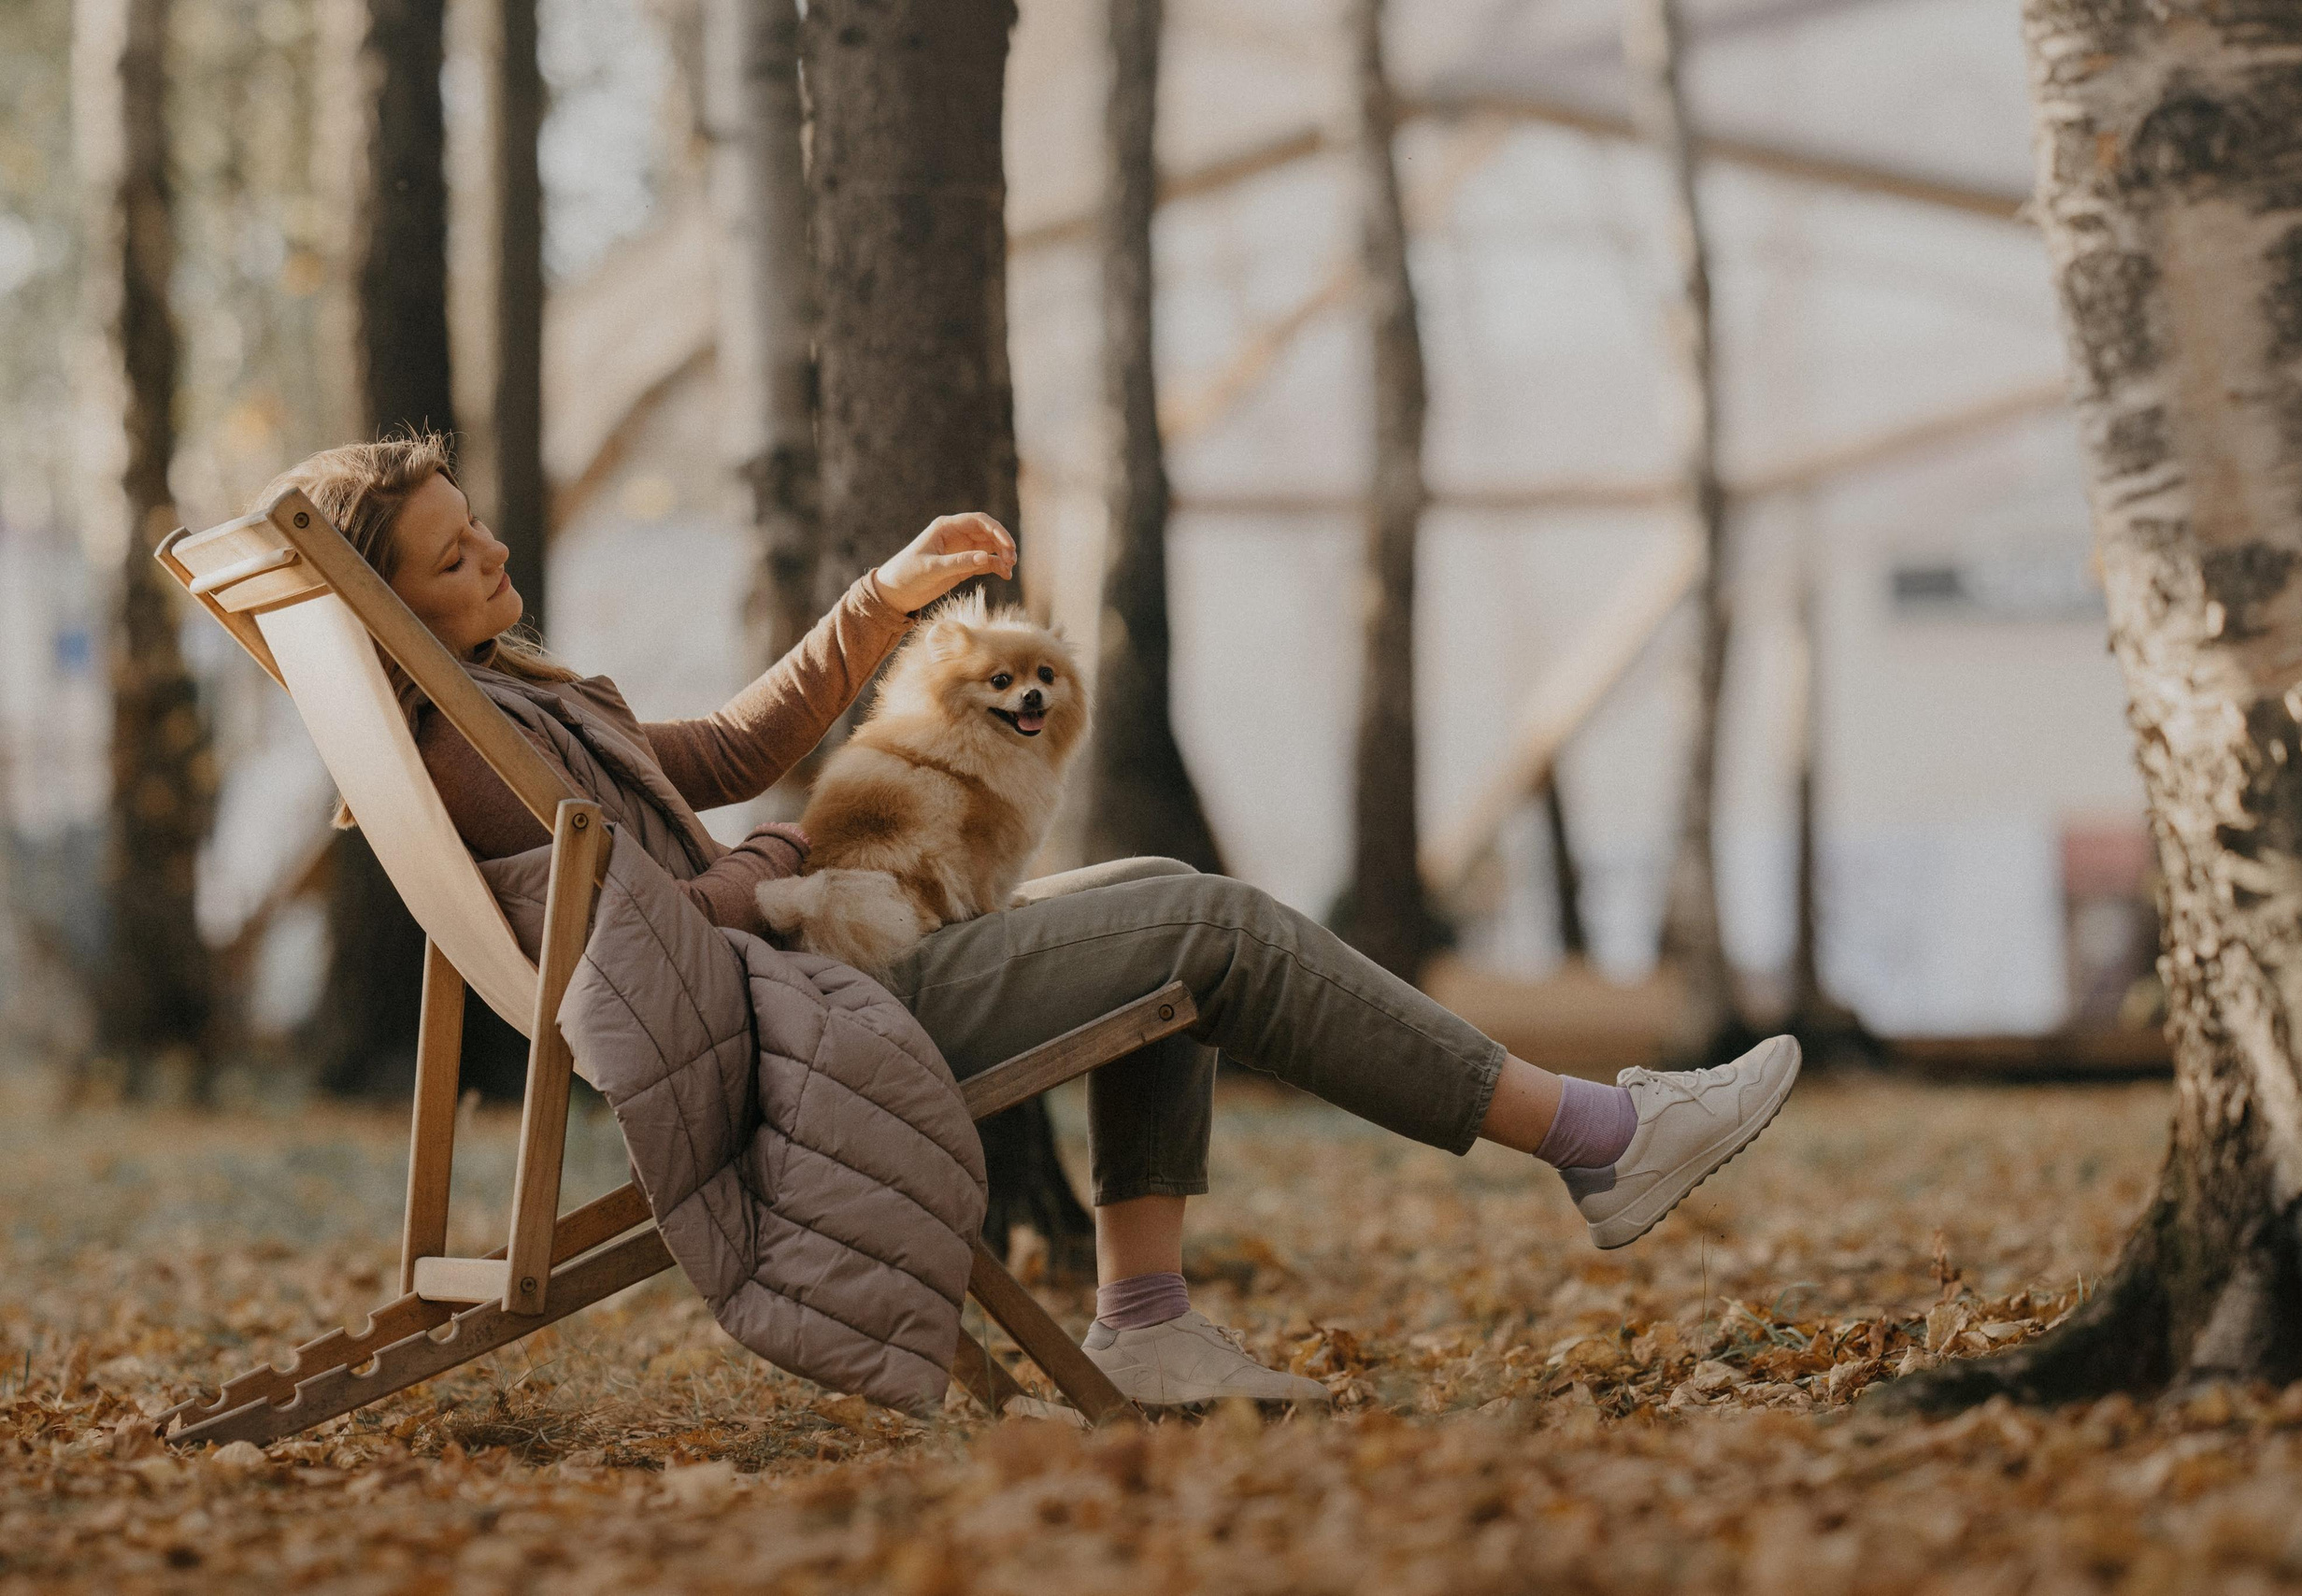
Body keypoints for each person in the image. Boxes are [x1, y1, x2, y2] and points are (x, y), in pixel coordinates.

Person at [256, 436, 1802, 1407]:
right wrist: (797, 851)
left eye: (481, 533)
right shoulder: (475, 751)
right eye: (456, 559)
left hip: (797, 968)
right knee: (1211, 928)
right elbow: (644, 920)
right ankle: (1600, 1141)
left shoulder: (496, 705)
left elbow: (719, 756)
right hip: (796, 1017)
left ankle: (1148, 1320)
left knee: (1152, 905)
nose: (496, 559)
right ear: (393, 611)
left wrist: (880, 600)